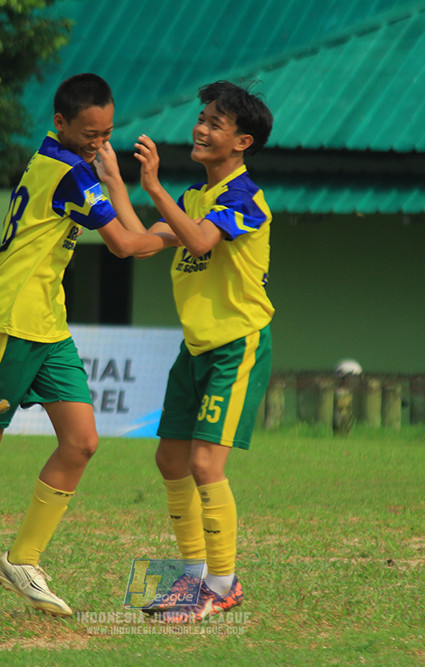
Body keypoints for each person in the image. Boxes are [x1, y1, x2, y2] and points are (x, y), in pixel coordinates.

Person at [0, 73, 178, 618]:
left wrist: (117, 180)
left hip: (48, 324)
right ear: (60, 123)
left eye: (107, 134)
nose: (100, 143)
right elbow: (126, 244)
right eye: (90, 134)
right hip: (11, 321)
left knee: (82, 442)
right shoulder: (69, 173)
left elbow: (129, 231)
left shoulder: (66, 161)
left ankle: (22, 560)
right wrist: (189, 233)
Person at [133, 81, 274, 623]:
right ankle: (192, 578)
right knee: (170, 459)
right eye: (202, 118)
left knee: (204, 463)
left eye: (215, 123)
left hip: (237, 345)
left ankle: (222, 585)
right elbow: (137, 243)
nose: (200, 128)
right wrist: (112, 184)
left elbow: (198, 241)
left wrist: (153, 186)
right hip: (195, 348)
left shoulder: (244, 197)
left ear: (242, 142)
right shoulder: (193, 196)